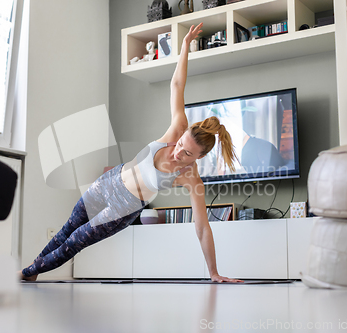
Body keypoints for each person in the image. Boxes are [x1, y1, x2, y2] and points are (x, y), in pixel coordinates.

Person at [20, 23, 243, 283]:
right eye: (181, 144)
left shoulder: (191, 177)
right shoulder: (176, 129)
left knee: (75, 242)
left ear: (199, 158)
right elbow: (176, 84)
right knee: (66, 230)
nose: (178, 152)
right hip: (109, 182)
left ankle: (24, 274)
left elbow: (202, 228)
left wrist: (214, 272)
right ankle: (32, 272)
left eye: (187, 154)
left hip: (123, 207)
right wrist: (184, 48)